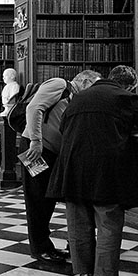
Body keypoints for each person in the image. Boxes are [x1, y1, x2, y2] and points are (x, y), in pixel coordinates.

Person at [47, 65, 138, 276]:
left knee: (78, 223)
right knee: (108, 223)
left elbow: (63, 127)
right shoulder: (127, 98)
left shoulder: (78, 97)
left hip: (72, 169)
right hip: (106, 171)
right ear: (130, 85)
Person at [21, 69, 100, 262]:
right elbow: (34, 108)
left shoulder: (74, 98)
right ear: (85, 81)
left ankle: (48, 246)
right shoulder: (59, 84)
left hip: (51, 152)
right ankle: (40, 248)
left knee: (48, 198)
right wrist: (36, 141)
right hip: (36, 149)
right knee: (37, 198)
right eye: (93, 87)